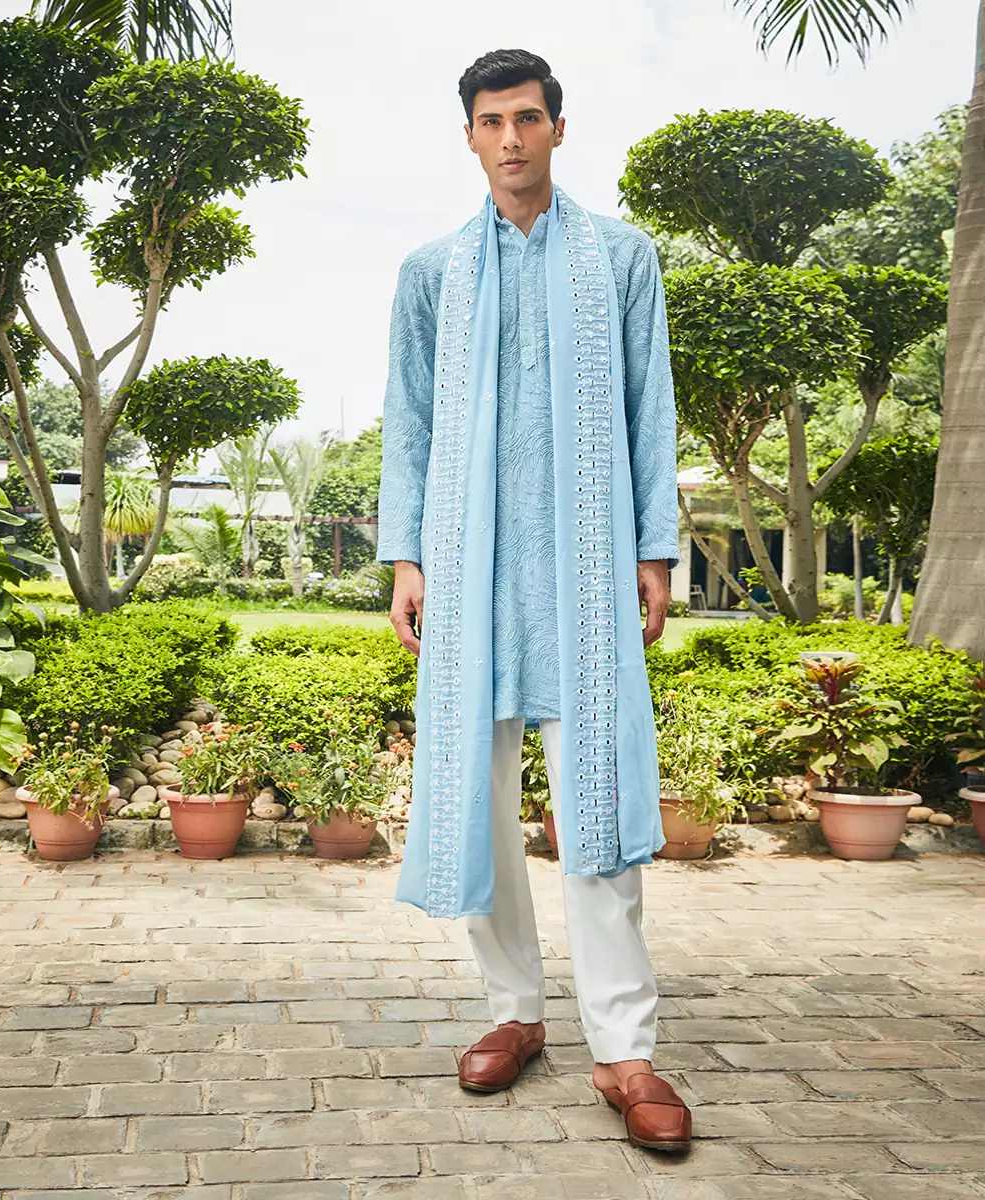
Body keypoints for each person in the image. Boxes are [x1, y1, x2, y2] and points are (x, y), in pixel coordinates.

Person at [375, 48, 691, 1152]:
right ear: (468, 136)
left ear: (559, 127)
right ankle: (513, 1012)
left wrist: (655, 550)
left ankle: (624, 1046)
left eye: (526, 117)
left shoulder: (622, 259)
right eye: (490, 121)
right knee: (480, 800)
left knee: (593, 800)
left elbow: (651, 406)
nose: (509, 138)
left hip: (586, 569)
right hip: (470, 569)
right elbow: (408, 422)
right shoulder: (432, 272)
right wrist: (406, 558)